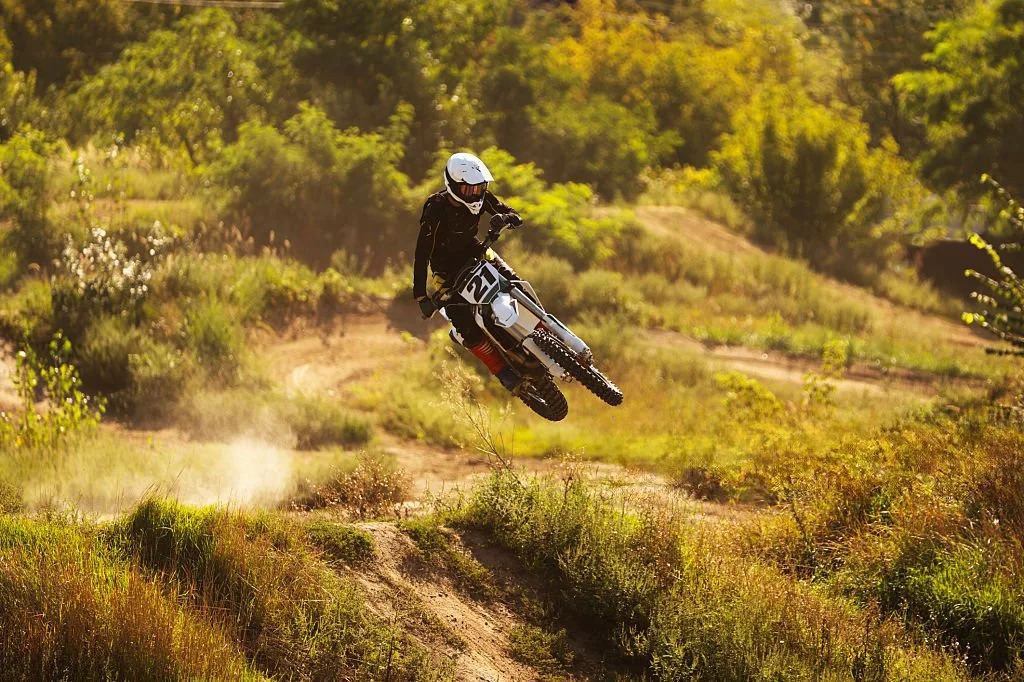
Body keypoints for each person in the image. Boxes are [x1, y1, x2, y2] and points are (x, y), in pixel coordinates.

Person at [413, 152, 524, 391]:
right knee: (463, 322)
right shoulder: (435, 208)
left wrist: (508, 218)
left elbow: (507, 210)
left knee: (514, 282)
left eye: (480, 187)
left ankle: (543, 328)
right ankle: (502, 371)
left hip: (476, 250)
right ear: (453, 185)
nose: (476, 193)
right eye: (469, 189)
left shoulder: (481, 197)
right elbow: (422, 254)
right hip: (445, 269)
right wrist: (421, 296)